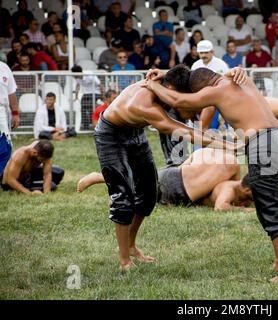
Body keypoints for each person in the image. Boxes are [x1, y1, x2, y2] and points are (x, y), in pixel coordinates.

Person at [142, 67, 278, 283]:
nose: (203, 101)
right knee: (269, 204)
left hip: (264, 147)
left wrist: (152, 84)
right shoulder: (241, 80)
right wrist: (168, 74)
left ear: (203, 88)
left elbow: (179, 101)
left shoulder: (215, 90)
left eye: (200, 94)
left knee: (271, 208)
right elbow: (198, 74)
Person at [94, 64, 244, 271]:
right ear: (172, 93)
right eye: (185, 102)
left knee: (148, 193)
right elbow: (186, 132)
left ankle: (131, 246)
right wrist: (230, 146)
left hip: (135, 133)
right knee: (124, 197)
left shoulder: (165, 82)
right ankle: (124, 260)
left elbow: (189, 76)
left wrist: (229, 74)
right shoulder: (145, 106)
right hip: (111, 136)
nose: (191, 111)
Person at [77, 148, 253, 211]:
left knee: (140, 179)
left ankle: (104, 180)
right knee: (143, 194)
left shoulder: (207, 152)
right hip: (181, 192)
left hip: (174, 174)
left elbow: (186, 164)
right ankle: (102, 180)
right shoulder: (234, 167)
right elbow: (227, 189)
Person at [0, 61, 19, 175]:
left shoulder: (4, 68)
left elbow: (11, 93)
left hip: (2, 110)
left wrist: (15, 113)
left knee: (5, 145)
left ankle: (3, 175)